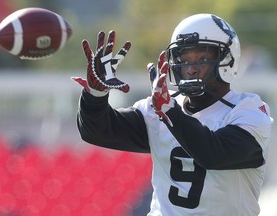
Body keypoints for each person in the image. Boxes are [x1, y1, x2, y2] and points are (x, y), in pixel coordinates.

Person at [72, 13, 273, 216]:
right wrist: (95, 94)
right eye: (184, 60)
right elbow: (97, 131)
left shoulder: (249, 111)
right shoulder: (161, 107)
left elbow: (213, 154)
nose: (191, 69)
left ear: (227, 61)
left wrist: (169, 112)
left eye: (202, 59)